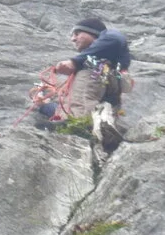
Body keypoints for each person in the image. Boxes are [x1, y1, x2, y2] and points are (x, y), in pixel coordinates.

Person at [37, 18, 132, 148]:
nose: (73, 39)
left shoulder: (109, 37)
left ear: (94, 33)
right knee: (54, 106)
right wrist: (44, 106)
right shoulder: (91, 59)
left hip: (99, 76)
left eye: (77, 34)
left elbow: (116, 39)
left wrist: (74, 62)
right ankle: (101, 128)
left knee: (85, 74)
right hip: (107, 93)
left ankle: (78, 125)